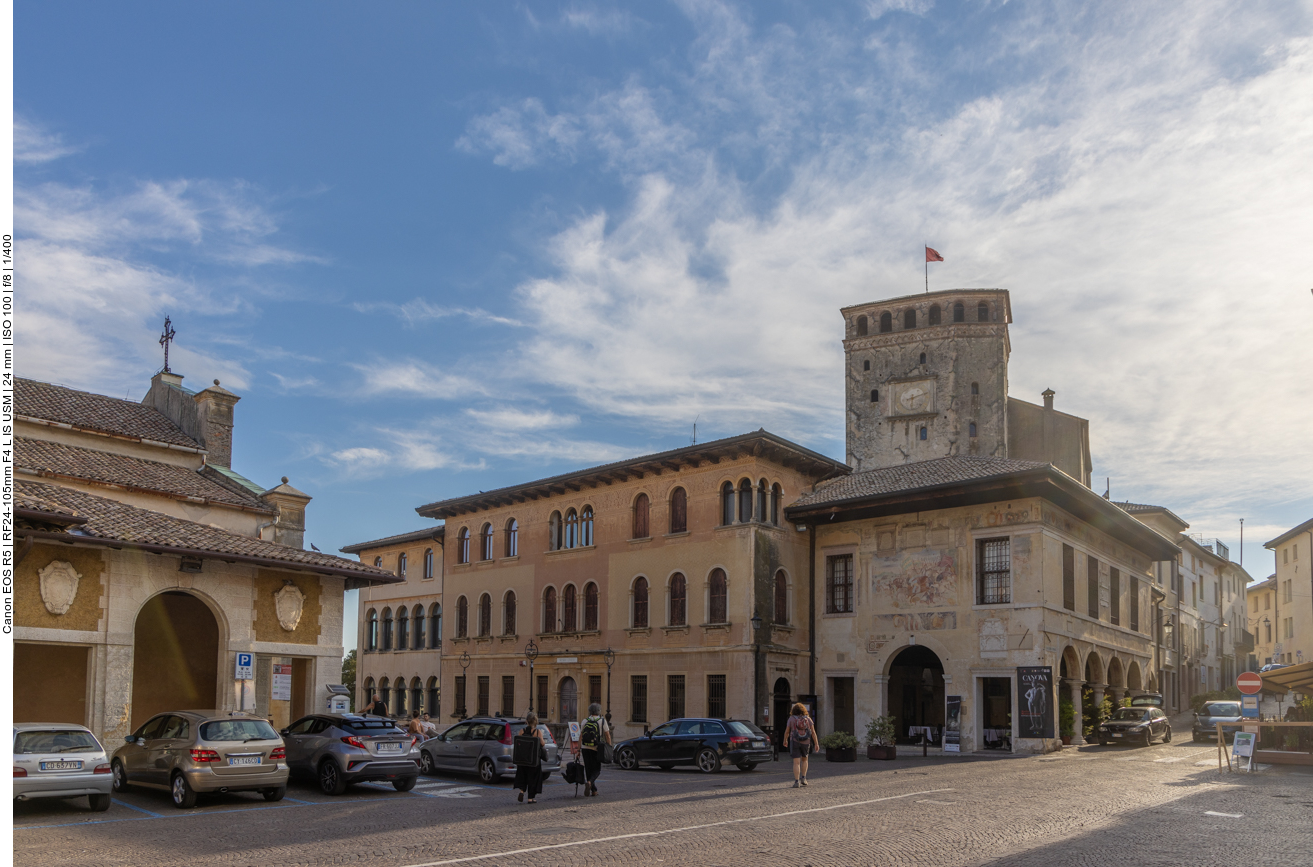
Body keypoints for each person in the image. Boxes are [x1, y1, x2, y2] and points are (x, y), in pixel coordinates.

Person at [512, 713, 547, 804]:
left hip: (522, 759)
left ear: (527, 721)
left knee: (523, 776)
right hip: (533, 760)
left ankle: (522, 791)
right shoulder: (537, 732)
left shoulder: (522, 731)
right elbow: (542, 743)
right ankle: (530, 798)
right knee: (533, 778)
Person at [783, 702, 819, 788]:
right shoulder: (808, 719)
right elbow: (813, 732)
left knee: (796, 762)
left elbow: (787, 731)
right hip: (806, 741)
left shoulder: (791, 719)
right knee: (805, 760)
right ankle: (804, 778)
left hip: (795, 741)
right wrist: (816, 743)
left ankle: (796, 781)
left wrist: (785, 740)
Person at [579, 703, 612, 797]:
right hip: (595, 748)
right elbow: (607, 735)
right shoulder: (602, 721)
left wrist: (578, 750)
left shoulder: (585, 720)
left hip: (585, 748)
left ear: (590, 711)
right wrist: (609, 747)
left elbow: (580, 736)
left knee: (588, 768)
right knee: (597, 769)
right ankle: (590, 782)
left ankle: (593, 790)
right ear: (599, 711)